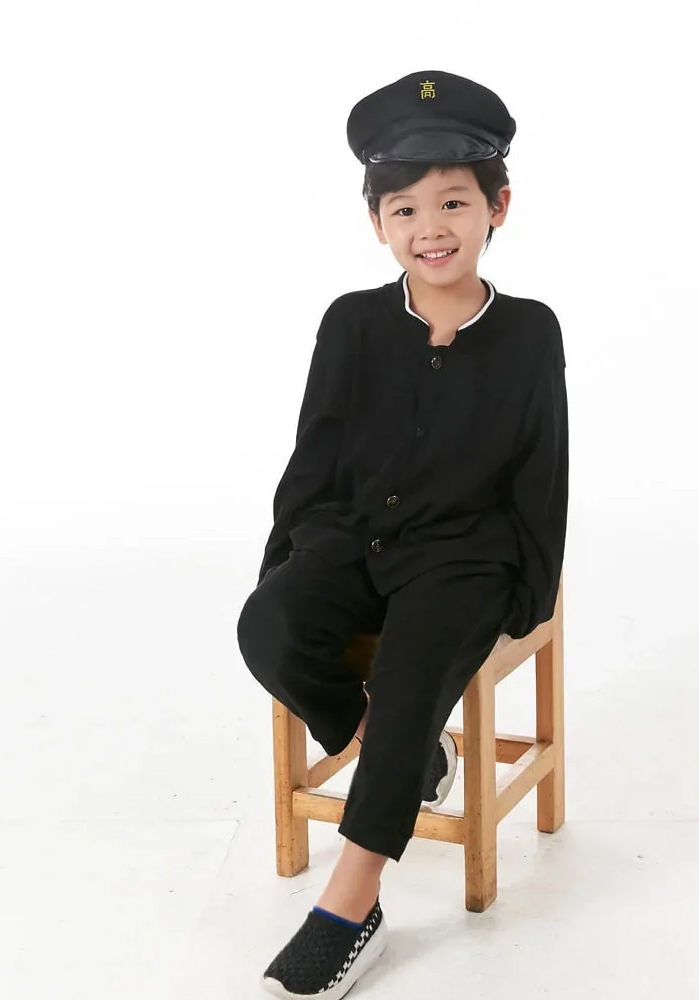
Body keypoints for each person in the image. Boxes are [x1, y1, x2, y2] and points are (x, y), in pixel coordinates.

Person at [237, 69, 569, 999]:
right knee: (266, 628)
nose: (432, 227)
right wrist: (286, 569)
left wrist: (526, 599)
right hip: (353, 537)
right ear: (377, 222)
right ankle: (412, 754)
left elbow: (544, 473)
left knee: (418, 664)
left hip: (467, 557)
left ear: (498, 206)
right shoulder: (350, 323)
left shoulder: (530, 332)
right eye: (405, 208)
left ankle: (353, 903)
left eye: (455, 201)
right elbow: (315, 454)